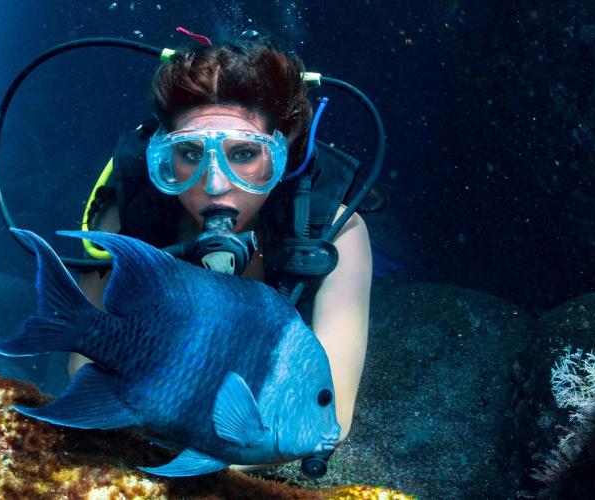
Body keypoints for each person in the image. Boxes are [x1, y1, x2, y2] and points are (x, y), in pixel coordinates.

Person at [67, 39, 372, 458]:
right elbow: (84, 358)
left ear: (283, 154)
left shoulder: (336, 231)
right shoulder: (129, 212)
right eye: (190, 153)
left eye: (245, 154)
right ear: (162, 157)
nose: (215, 184)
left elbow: (334, 414)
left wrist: (219, 457)